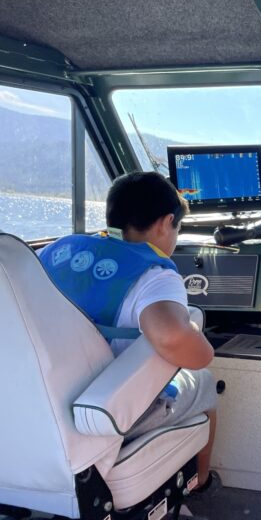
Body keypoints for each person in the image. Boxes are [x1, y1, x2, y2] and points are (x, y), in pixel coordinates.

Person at [38, 171, 219, 492]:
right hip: (102, 412)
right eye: (177, 227)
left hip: (43, 402)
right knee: (204, 382)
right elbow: (172, 337)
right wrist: (204, 351)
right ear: (165, 223)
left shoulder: (57, 250)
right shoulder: (155, 274)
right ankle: (202, 482)